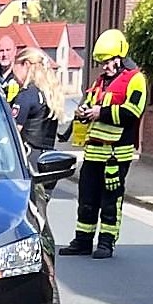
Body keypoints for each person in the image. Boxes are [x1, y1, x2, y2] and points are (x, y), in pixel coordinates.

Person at [59, 29, 147, 259]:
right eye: (101, 62)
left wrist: (101, 112)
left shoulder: (135, 79)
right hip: (94, 152)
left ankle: (106, 243)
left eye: (107, 62)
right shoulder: (100, 81)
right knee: (86, 198)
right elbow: (89, 104)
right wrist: (83, 112)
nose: (104, 66)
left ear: (119, 58)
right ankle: (82, 241)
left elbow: (132, 111)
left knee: (110, 200)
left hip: (115, 154)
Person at [9, 47, 65, 171]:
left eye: (15, 68)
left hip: (29, 160)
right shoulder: (50, 95)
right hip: (48, 160)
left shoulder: (26, 95)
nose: (13, 77)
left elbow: (13, 132)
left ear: (26, 64)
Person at [0, 35, 20, 104]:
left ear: (15, 51)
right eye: (1, 51)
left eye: (8, 50)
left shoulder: (20, 73)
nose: (4, 54)